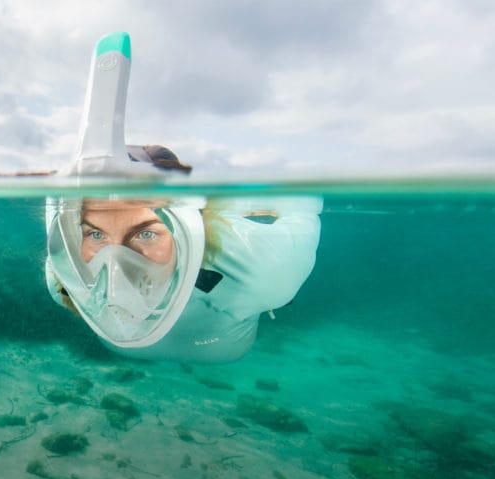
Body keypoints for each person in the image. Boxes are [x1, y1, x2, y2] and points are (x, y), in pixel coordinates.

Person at [45, 31, 321, 362]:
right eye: (95, 233)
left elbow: (302, 210)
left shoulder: (266, 271)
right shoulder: (64, 276)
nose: (115, 268)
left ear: (189, 226)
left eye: (145, 233)